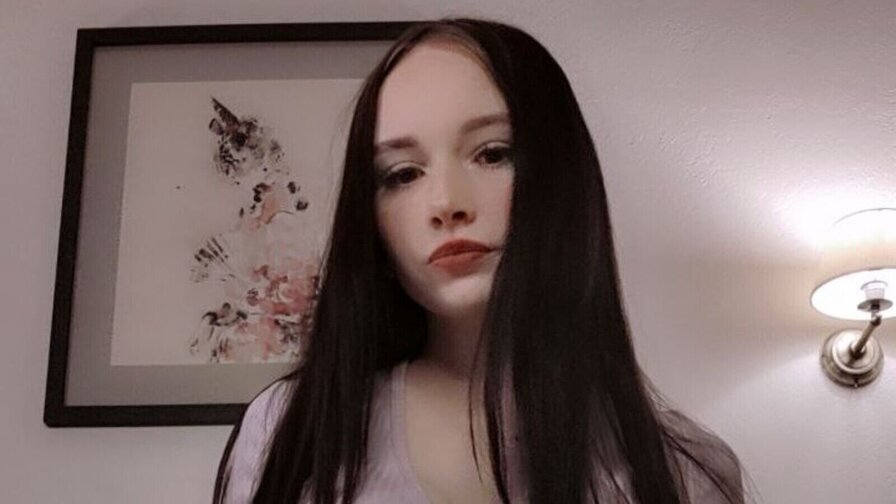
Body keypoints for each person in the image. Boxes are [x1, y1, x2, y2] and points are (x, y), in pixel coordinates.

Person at [213, 18, 746, 504]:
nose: (446, 203)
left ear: (562, 177)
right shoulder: (292, 433)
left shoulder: (683, 472)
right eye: (402, 174)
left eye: (492, 154)